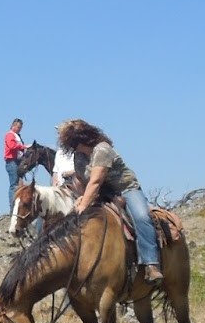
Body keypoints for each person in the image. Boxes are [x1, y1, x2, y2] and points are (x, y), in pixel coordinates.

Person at [57, 119, 163, 284]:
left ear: (79, 139)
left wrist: (84, 204)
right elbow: (80, 179)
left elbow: (96, 181)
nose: (69, 146)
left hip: (126, 189)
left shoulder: (102, 150)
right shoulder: (78, 156)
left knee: (141, 217)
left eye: (70, 141)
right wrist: (81, 197)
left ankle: (151, 263)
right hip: (100, 192)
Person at [3, 118, 27, 207]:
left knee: (19, 183)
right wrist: (23, 147)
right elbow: (12, 146)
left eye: (20, 127)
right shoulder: (10, 135)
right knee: (14, 184)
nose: (19, 129)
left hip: (17, 161)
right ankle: (13, 206)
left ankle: (18, 204)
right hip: (12, 161)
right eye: (18, 127)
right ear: (13, 126)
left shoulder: (17, 136)